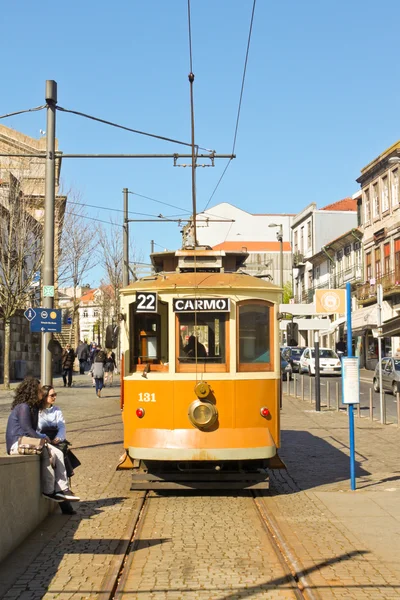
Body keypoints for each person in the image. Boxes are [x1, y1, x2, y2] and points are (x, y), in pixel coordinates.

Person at [5, 377, 79, 506]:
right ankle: (49, 490)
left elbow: (32, 431)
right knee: (46, 450)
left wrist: (42, 436)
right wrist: (42, 438)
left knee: (58, 453)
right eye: (39, 390)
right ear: (33, 391)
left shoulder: (33, 408)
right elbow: (27, 429)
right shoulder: (23, 407)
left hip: (26, 441)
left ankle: (63, 488)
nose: (41, 392)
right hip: (16, 443)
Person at [38, 385, 81, 515]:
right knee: (59, 462)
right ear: (45, 397)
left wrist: (58, 438)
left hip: (56, 441)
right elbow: (35, 429)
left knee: (62, 461)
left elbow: (62, 427)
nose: (54, 397)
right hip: (44, 441)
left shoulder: (57, 410)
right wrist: (46, 439)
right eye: (52, 395)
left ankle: (65, 501)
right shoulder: (38, 412)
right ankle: (65, 502)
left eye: (55, 394)